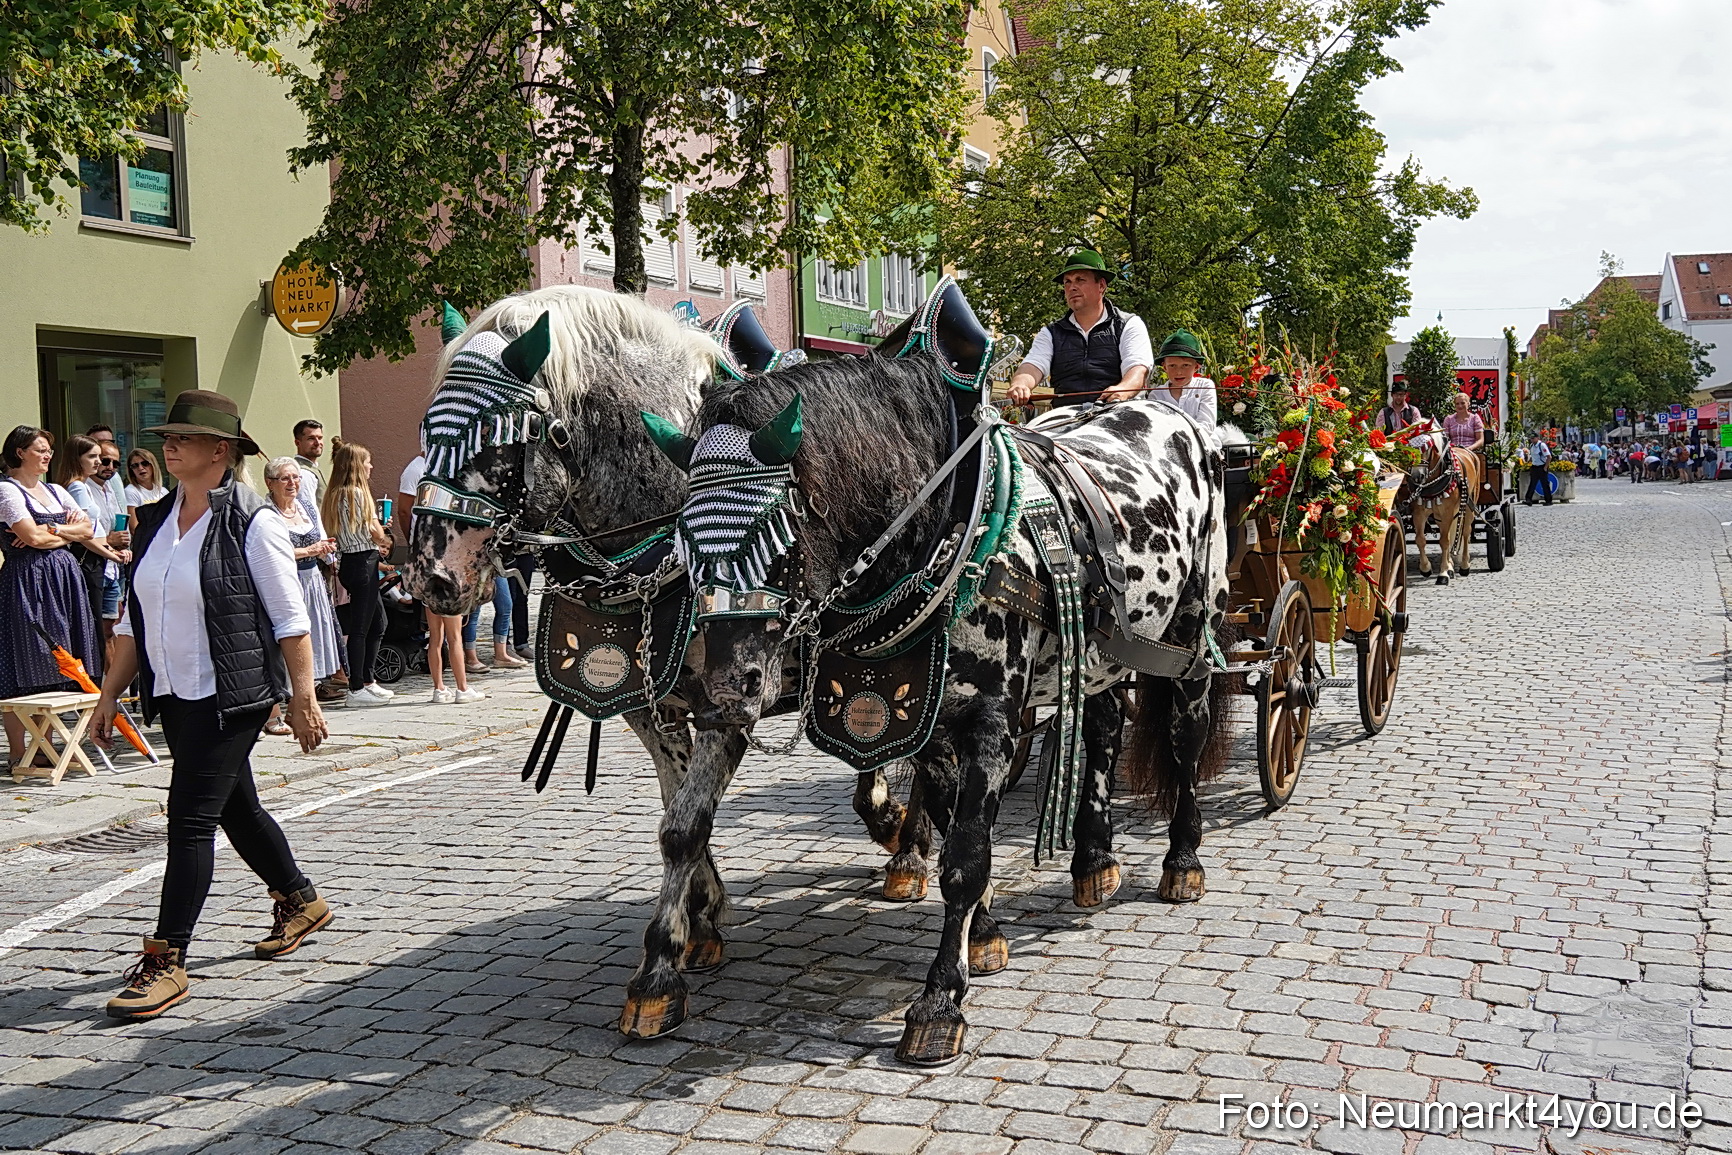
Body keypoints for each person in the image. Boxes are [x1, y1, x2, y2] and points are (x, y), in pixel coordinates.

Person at [94, 391, 332, 1020]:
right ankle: (299, 898)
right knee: (237, 807)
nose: (168, 445)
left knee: (190, 817)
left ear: (220, 451)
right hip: (174, 691)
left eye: (183, 437)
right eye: (166, 436)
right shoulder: (151, 521)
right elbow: (130, 622)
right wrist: (109, 695)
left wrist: (303, 695)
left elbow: (289, 617)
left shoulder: (254, 522)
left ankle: (167, 957)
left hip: (234, 694)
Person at [0, 427, 102, 768]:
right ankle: (20, 750)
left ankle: (45, 745)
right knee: (28, 660)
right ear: (19, 452)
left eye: (49, 450)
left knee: (62, 658)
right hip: (28, 582)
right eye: (40, 450)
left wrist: (54, 530)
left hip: (63, 581)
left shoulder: (56, 490)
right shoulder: (7, 491)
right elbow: (31, 538)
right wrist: (54, 534)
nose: (48, 456)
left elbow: (87, 530)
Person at [1005, 250, 1154, 409]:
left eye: (1080, 280)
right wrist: (1020, 384)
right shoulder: (1050, 333)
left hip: (1117, 413)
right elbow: (1033, 364)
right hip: (1064, 417)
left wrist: (1123, 389)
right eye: (1067, 282)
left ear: (1101, 285)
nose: (1072, 287)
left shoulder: (1129, 324)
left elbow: (1138, 369)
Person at [262, 459, 342, 735]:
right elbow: (272, 551)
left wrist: (325, 548)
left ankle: (305, 705)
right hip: (282, 581)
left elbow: (320, 536)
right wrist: (310, 550)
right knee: (282, 646)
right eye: (285, 478)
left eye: (295, 478)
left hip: (310, 580)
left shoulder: (306, 506)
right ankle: (274, 713)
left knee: (310, 643)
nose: (292, 483)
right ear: (270, 483)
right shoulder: (265, 513)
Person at [397, 454, 484, 704]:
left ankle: (438, 688)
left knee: (435, 637)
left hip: (427, 567)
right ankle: (462, 688)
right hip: (448, 569)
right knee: (454, 635)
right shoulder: (445, 527)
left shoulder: (423, 527)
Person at [322, 438, 395, 705]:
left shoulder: (334, 494)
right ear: (356, 466)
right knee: (361, 629)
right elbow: (376, 534)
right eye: (367, 462)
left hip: (350, 563)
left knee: (378, 623)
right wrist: (381, 528)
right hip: (364, 562)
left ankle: (368, 678)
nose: (371, 467)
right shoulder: (358, 493)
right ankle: (356, 688)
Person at [61, 435, 131, 650]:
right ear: (77, 459)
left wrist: (112, 551)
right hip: (89, 561)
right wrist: (112, 553)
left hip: (102, 561)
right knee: (94, 630)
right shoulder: (79, 488)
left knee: (108, 626)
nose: (99, 462)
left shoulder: (90, 486)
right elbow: (85, 533)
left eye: (99, 457)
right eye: (93, 457)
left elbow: (93, 531)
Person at [1146, 329, 1218, 431]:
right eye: (1172, 366)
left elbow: (1207, 425)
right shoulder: (1156, 395)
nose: (1179, 372)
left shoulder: (1205, 386)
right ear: (1164, 367)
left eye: (1185, 365)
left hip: (1204, 445)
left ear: (1196, 366)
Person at [462, 576, 525, 674]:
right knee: (473, 611)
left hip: (495, 565)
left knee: (505, 607)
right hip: (475, 566)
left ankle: (501, 655)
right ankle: (471, 658)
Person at [85, 424, 129, 515]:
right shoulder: (81, 485)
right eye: (97, 443)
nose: (110, 467)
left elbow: (122, 509)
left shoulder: (113, 477)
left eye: (109, 442)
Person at [124, 447, 169, 522]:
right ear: (131, 470)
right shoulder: (131, 491)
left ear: (153, 465)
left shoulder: (163, 492)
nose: (140, 468)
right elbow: (134, 528)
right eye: (135, 466)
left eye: (145, 463)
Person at [293, 420, 327, 505]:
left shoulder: (311, 468)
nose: (317, 443)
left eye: (320, 438)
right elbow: (307, 509)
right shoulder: (303, 472)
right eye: (311, 438)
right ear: (298, 443)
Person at [1527, 434, 1553, 506]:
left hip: (1542, 466)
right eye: (1531, 438)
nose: (1532, 440)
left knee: (1545, 484)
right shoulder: (1532, 446)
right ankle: (1528, 499)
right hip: (1534, 466)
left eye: (1533, 438)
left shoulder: (1542, 445)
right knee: (1532, 484)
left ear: (1537, 438)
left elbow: (1549, 457)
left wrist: (1545, 467)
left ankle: (1548, 500)